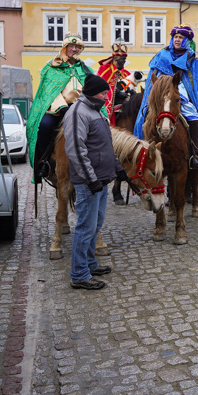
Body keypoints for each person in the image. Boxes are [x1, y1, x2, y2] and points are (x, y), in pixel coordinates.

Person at [65, 74, 127, 290]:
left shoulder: (96, 111)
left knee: (95, 225)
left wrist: (118, 169)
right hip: (88, 182)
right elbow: (75, 149)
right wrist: (90, 179)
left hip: (101, 180)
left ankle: (89, 264)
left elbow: (106, 145)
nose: (106, 96)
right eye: (103, 93)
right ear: (92, 93)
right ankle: (79, 274)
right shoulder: (78, 112)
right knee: (85, 227)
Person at [134, 24, 198, 170]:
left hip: (180, 90)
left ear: (186, 40)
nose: (177, 39)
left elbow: (191, 79)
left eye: (181, 37)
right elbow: (153, 76)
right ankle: (140, 151)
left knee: (194, 117)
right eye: (175, 37)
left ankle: (195, 154)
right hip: (160, 90)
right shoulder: (162, 54)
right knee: (143, 115)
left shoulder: (191, 58)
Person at [27, 32, 93, 181]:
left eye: (78, 47)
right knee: (44, 126)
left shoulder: (86, 70)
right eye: (71, 46)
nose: (74, 49)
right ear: (65, 47)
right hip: (57, 110)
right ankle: (43, 162)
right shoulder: (51, 67)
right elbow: (48, 91)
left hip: (81, 109)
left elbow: (92, 91)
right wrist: (61, 107)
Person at [96, 40, 132, 125]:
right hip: (110, 103)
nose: (124, 61)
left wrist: (130, 92)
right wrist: (117, 93)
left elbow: (130, 86)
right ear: (115, 58)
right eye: (122, 60)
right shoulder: (104, 69)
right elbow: (100, 86)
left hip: (125, 105)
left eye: (124, 59)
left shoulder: (127, 73)